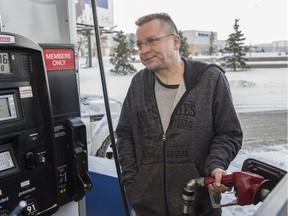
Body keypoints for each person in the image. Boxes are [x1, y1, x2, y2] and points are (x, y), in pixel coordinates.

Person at [116, 12, 242, 216]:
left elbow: (229, 133)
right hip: (148, 208)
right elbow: (125, 134)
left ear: (175, 42)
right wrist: (134, 183)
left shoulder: (209, 79)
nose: (144, 50)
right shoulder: (139, 83)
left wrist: (216, 166)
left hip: (199, 204)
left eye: (151, 41)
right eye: (139, 45)